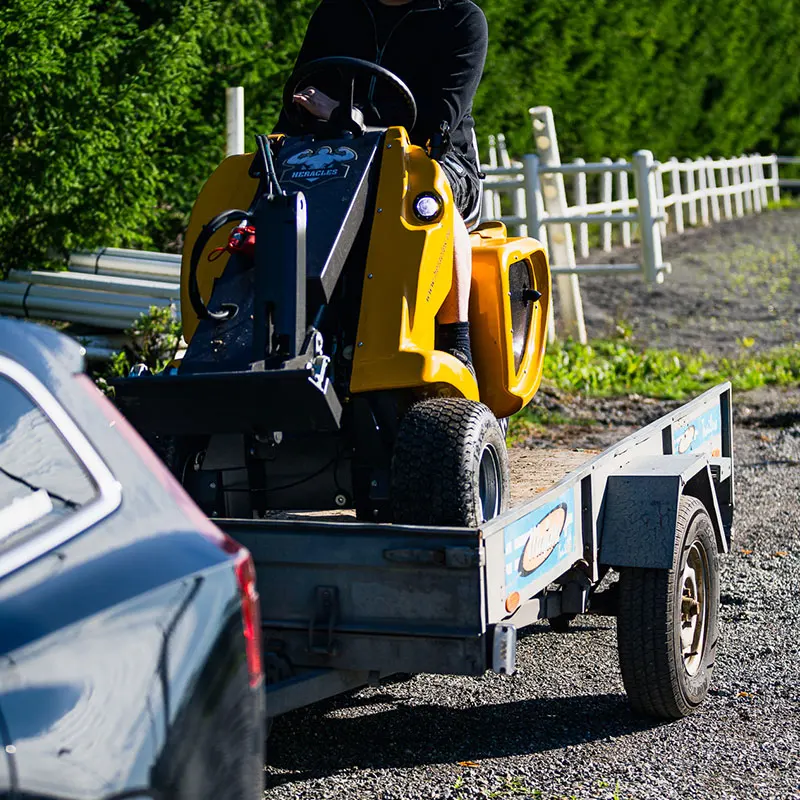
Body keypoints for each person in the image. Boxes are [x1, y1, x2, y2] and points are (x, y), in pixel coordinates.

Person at [275, 0, 488, 372]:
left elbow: (437, 123)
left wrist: (344, 114)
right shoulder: (335, 13)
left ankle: (458, 340)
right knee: (274, 197)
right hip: (339, 156)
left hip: (437, 158)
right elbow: (300, 98)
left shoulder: (461, 20)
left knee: (429, 192)